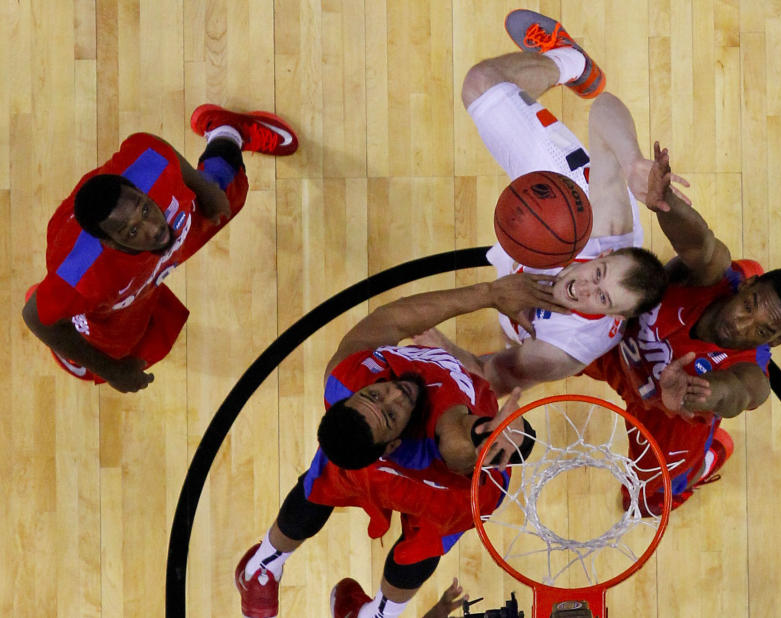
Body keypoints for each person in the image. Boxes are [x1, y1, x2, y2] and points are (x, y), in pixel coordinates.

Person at [234, 274, 564, 618]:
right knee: (420, 550)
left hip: (369, 473)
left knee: (322, 483)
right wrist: (500, 433)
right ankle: (374, 614)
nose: (395, 393)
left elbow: (390, 320)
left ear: (351, 397)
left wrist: (491, 293)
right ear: (392, 444)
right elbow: (468, 441)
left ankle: (262, 566)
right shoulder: (443, 432)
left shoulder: (346, 379)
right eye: (391, 413)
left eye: (374, 394)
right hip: (442, 495)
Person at [415, 10, 687, 396]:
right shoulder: (608, 230)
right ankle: (571, 61)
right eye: (598, 272)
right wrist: (631, 162)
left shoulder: (565, 348)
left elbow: (496, 377)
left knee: (511, 343)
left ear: (616, 317)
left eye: (603, 298)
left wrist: (445, 348)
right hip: (563, 189)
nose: (587, 288)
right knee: (480, 83)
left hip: (521, 299)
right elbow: (605, 108)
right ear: (602, 256)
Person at [582, 142, 781, 512]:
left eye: (761, 331)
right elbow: (700, 243)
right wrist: (666, 203)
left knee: (643, 503)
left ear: (778, 340)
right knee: (536, 333)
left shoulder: (749, 374)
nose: (741, 324)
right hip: (616, 348)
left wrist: (700, 395)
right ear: (748, 287)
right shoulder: (713, 277)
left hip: (666, 415)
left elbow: (740, 393)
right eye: (749, 305)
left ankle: (712, 454)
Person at [21, 105, 299, 393]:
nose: (153, 229)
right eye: (131, 231)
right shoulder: (81, 276)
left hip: (160, 246)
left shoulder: (148, 169)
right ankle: (64, 316)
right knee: (113, 352)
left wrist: (203, 189)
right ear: (111, 243)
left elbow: (156, 148)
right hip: (112, 297)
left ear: (142, 190)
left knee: (226, 196)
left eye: (144, 209)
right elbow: (35, 317)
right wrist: (112, 371)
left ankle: (225, 131)